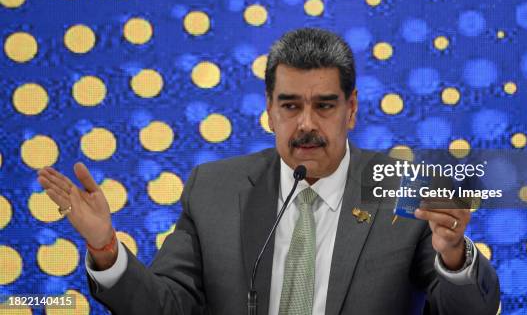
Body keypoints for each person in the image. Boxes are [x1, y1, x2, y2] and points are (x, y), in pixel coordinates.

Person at [37, 27, 500, 314]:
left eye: (324, 106)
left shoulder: (400, 188)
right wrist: (104, 247)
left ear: (351, 110)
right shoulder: (214, 190)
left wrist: (455, 256)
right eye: (291, 105)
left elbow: (466, 311)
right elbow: (167, 306)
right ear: (270, 112)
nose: (306, 124)